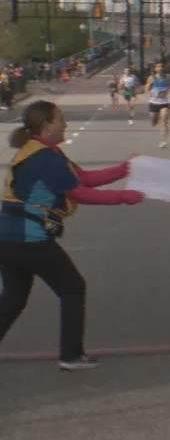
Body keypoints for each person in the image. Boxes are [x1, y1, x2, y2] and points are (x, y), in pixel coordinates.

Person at [0, 100, 144, 370]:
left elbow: (84, 178)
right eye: (60, 118)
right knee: (72, 288)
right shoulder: (44, 157)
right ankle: (71, 355)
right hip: (30, 240)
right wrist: (123, 196)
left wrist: (125, 168)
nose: (65, 124)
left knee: (13, 299)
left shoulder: (41, 151)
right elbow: (79, 193)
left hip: (7, 239)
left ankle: (71, 354)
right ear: (46, 125)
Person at [144, 62, 170, 148]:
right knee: (153, 122)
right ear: (155, 69)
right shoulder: (152, 78)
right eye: (158, 67)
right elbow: (146, 89)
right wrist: (151, 91)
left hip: (164, 102)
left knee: (164, 119)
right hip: (154, 102)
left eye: (162, 66)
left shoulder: (167, 77)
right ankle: (155, 121)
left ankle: (163, 141)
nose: (160, 68)